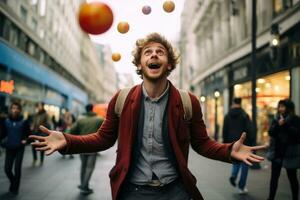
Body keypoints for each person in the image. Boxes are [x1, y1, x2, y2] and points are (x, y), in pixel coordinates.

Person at [30, 33, 266, 200]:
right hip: (133, 191)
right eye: (148, 53)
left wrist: (229, 152)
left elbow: (202, 144)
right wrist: (67, 141)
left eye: (160, 52)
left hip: (176, 191)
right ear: (140, 64)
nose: (154, 56)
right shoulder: (122, 99)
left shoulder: (187, 102)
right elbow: (103, 139)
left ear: (169, 63)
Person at [267, 99, 300, 200]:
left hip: (290, 153)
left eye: (282, 106)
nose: (280, 109)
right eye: (279, 106)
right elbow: (271, 132)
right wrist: (278, 125)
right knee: (274, 178)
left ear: (289, 108)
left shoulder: (296, 119)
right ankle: (270, 198)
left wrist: (285, 125)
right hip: (277, 152)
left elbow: (298, 134)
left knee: (292, 178)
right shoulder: (276, 118)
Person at [68, 104, 104, 195]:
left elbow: (72, 131)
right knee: (89, 167)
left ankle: (83, 184)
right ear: (92, 109)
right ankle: (84, 186)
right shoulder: (99, 119)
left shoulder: (80, 120)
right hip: (93, 146)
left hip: (82, 146)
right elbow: (105, 131)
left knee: (83, 166)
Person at [222, 97, 253, 194]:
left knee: (236, 161)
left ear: (232, 103)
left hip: (232, 143)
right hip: (243, 143)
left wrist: (226, 144)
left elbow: (224, 131)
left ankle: (233, 175)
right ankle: (241, 187)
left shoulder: (227, 115)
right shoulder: (244, 115)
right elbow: (250, 130)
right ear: (241, 103)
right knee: (244, 165)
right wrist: (251, 143)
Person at [0, 102, 30, 194]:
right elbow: (2, 134)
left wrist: (26, 140)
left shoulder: (24, 121)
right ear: (11, 109)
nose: (15, 110)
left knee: (17, 169)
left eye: (17, 108)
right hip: (9, 147)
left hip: (19, 148)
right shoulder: (6, 121)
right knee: (7, 169)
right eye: (13, 108)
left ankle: (15, 188)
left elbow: (29, 134)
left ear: (20, 110)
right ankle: (13, 182)